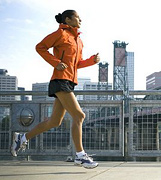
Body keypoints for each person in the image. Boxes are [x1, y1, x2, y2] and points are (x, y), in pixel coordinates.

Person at [11, 10, 100, 169]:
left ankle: (22, 138)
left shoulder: (78, 40)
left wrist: (92, 61)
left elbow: (77, 63)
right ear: (68, 19)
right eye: (78, 18)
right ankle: (80, 156)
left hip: (70, 81)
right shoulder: (61, 34)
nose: (81, 20)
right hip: (60, 80)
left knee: (55, 121)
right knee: (79, 115)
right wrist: (55, 62)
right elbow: (40, 47)